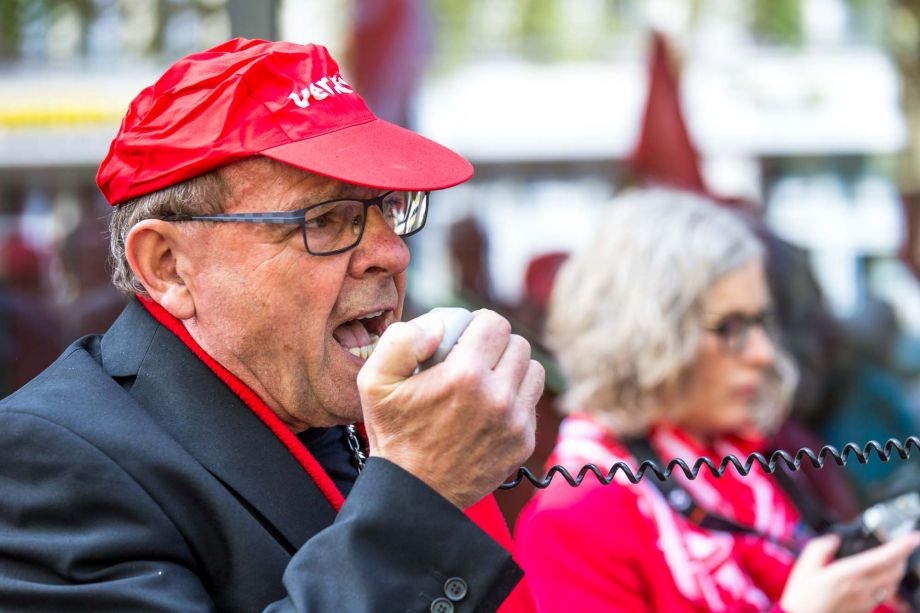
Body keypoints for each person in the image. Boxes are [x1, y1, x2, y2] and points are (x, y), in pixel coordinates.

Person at [0, 38, 544, 612]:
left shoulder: (353, 413)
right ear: (169, 267)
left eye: (388, 206)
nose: (391, 252)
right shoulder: (45, 460)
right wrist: (422, 494)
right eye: (328, 219)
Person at [514, 188, 920, 613]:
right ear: (648, 335)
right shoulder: (575, 517)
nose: (762, 352)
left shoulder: (738, 458)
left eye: (761, 321)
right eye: (731, 326)